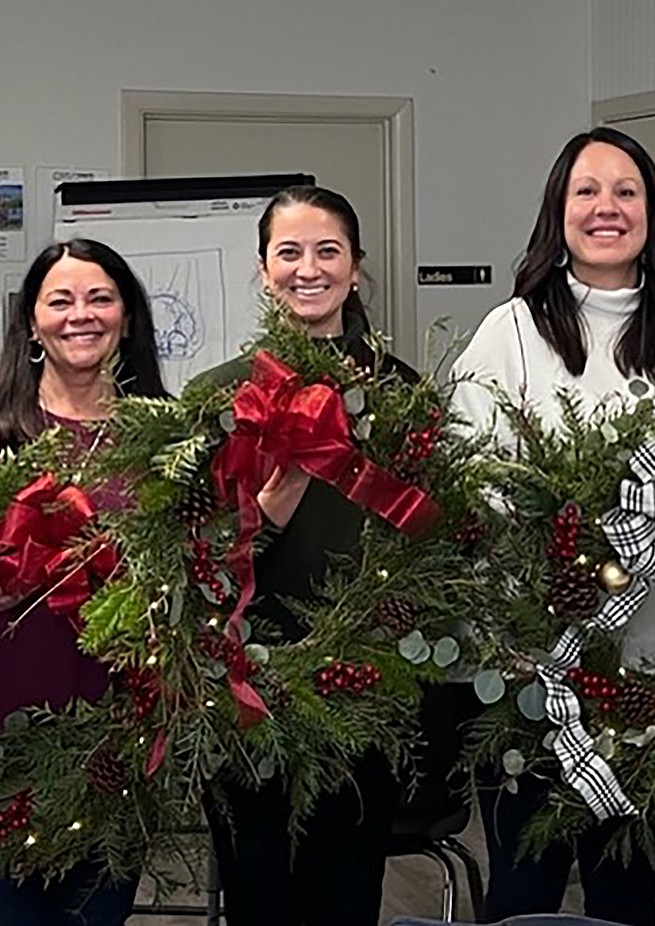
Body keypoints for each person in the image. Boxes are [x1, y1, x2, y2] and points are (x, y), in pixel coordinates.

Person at [451, 127, 655, 926]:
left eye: (626, 191)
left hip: (651, 671)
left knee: (627, 884)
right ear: (558, 212)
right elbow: (467, 478)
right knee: (524, 881)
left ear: (653, 211)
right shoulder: (511, 332)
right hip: (531, 668)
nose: (607, 207)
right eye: (587, 191)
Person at [0, 238, 167, 926]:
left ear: (127, 317)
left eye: (100, 298)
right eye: (60, 300)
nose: (79, 315)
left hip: (114, 743)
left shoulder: (163, 439)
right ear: (30, 321)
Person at [194, 185, 415, 926]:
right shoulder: (219, 400)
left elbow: (435, 546)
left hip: (366, 693)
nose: (308, 269)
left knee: (348, 899)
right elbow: (194, 558)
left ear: (356, 268)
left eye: (329, 251)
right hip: (248, 695)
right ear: (263, 269)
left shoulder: (403, 398)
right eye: (289, 252)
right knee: (256, 897)